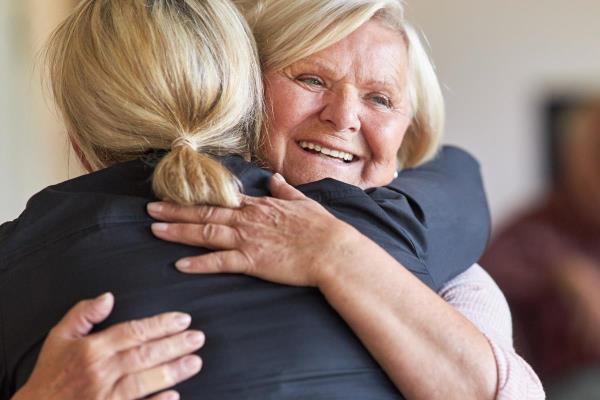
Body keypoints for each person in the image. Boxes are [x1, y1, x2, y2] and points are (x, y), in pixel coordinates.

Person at [0, 0, 542, 399]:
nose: (344, 116)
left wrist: (339, 255)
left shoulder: (430, 248)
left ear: (409, 133)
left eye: (380, 98)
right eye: (309, 78)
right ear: (241, 92)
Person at [482, 99, 600, 398]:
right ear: (572, 156)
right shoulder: (534, 226)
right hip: (564, 381)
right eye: (595, 153)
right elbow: (484, 275)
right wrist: (562, 270)